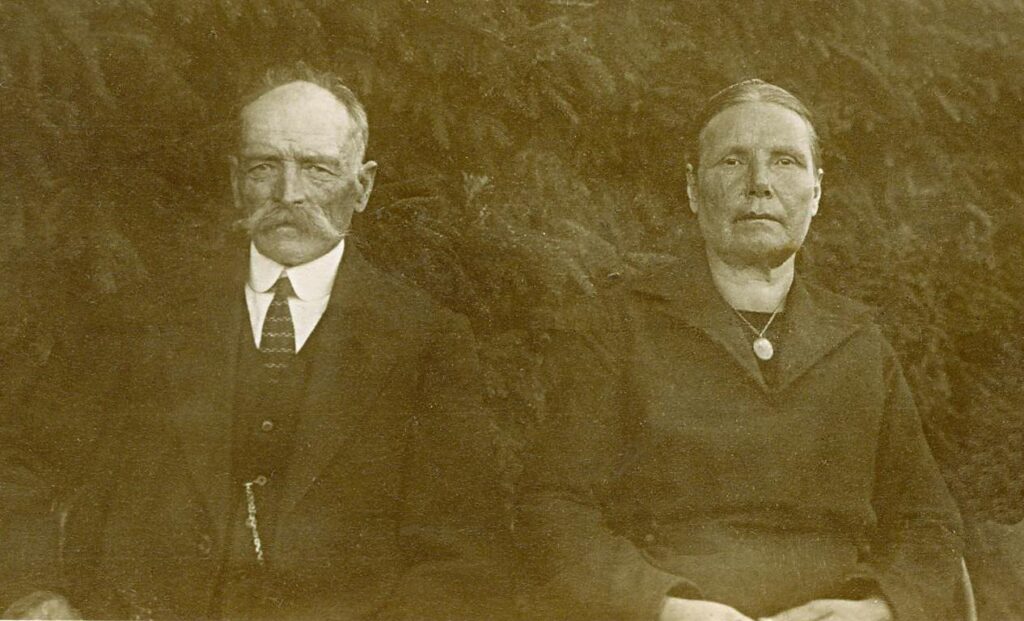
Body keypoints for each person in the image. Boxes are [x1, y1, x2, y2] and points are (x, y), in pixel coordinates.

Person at [0, 64, 507, 620]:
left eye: (317, 169)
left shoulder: (426, 341)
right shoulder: (142, 315)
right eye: (265, 166)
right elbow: (20, 463)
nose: (289, 194)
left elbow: (460, 556)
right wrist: (33, 591)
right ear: (235, 179)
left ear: (362, 186)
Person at [517, 79, 965, 621]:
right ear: (692, 189)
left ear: (817, 192)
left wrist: (876, 609)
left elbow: (928, 522)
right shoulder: (618, 328)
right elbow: (555, 509)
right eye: (732, 161)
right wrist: (664, 606)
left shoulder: (859, 343)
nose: (759, 184)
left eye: (785, 162)